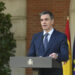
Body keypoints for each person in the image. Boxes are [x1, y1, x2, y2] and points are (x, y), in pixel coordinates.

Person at [28, 11, 69, 75]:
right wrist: (37, 59)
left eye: (46, 19)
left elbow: (65, 56)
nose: (43, 22)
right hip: (41, 72)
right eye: (41, 20)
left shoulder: (61, 36)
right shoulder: (36, 37)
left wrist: (57, 56)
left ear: (52, 21)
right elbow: (30, 55)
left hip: (55, 73)